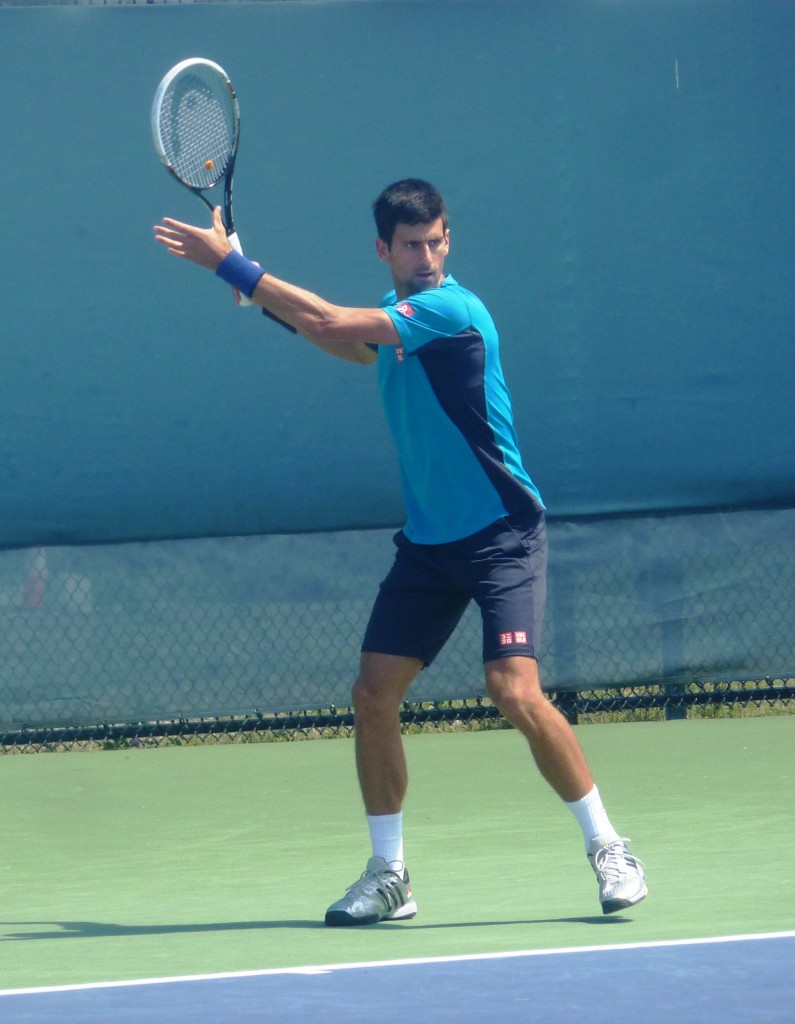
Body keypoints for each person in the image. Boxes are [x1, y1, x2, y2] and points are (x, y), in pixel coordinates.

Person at [153, 178, 647, 926]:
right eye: (411, 245)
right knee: (372, 694)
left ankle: (609, 847)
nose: (427, 255)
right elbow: (333, 334)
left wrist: (231, 267)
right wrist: (251, 282)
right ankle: (390, 875)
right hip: (429, 545)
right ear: (384, 249)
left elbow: (326, 316)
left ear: (448, 239)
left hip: (502, 532)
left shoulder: (452, 312)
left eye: (437, 240)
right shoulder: (393, 326)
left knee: (513, 690)